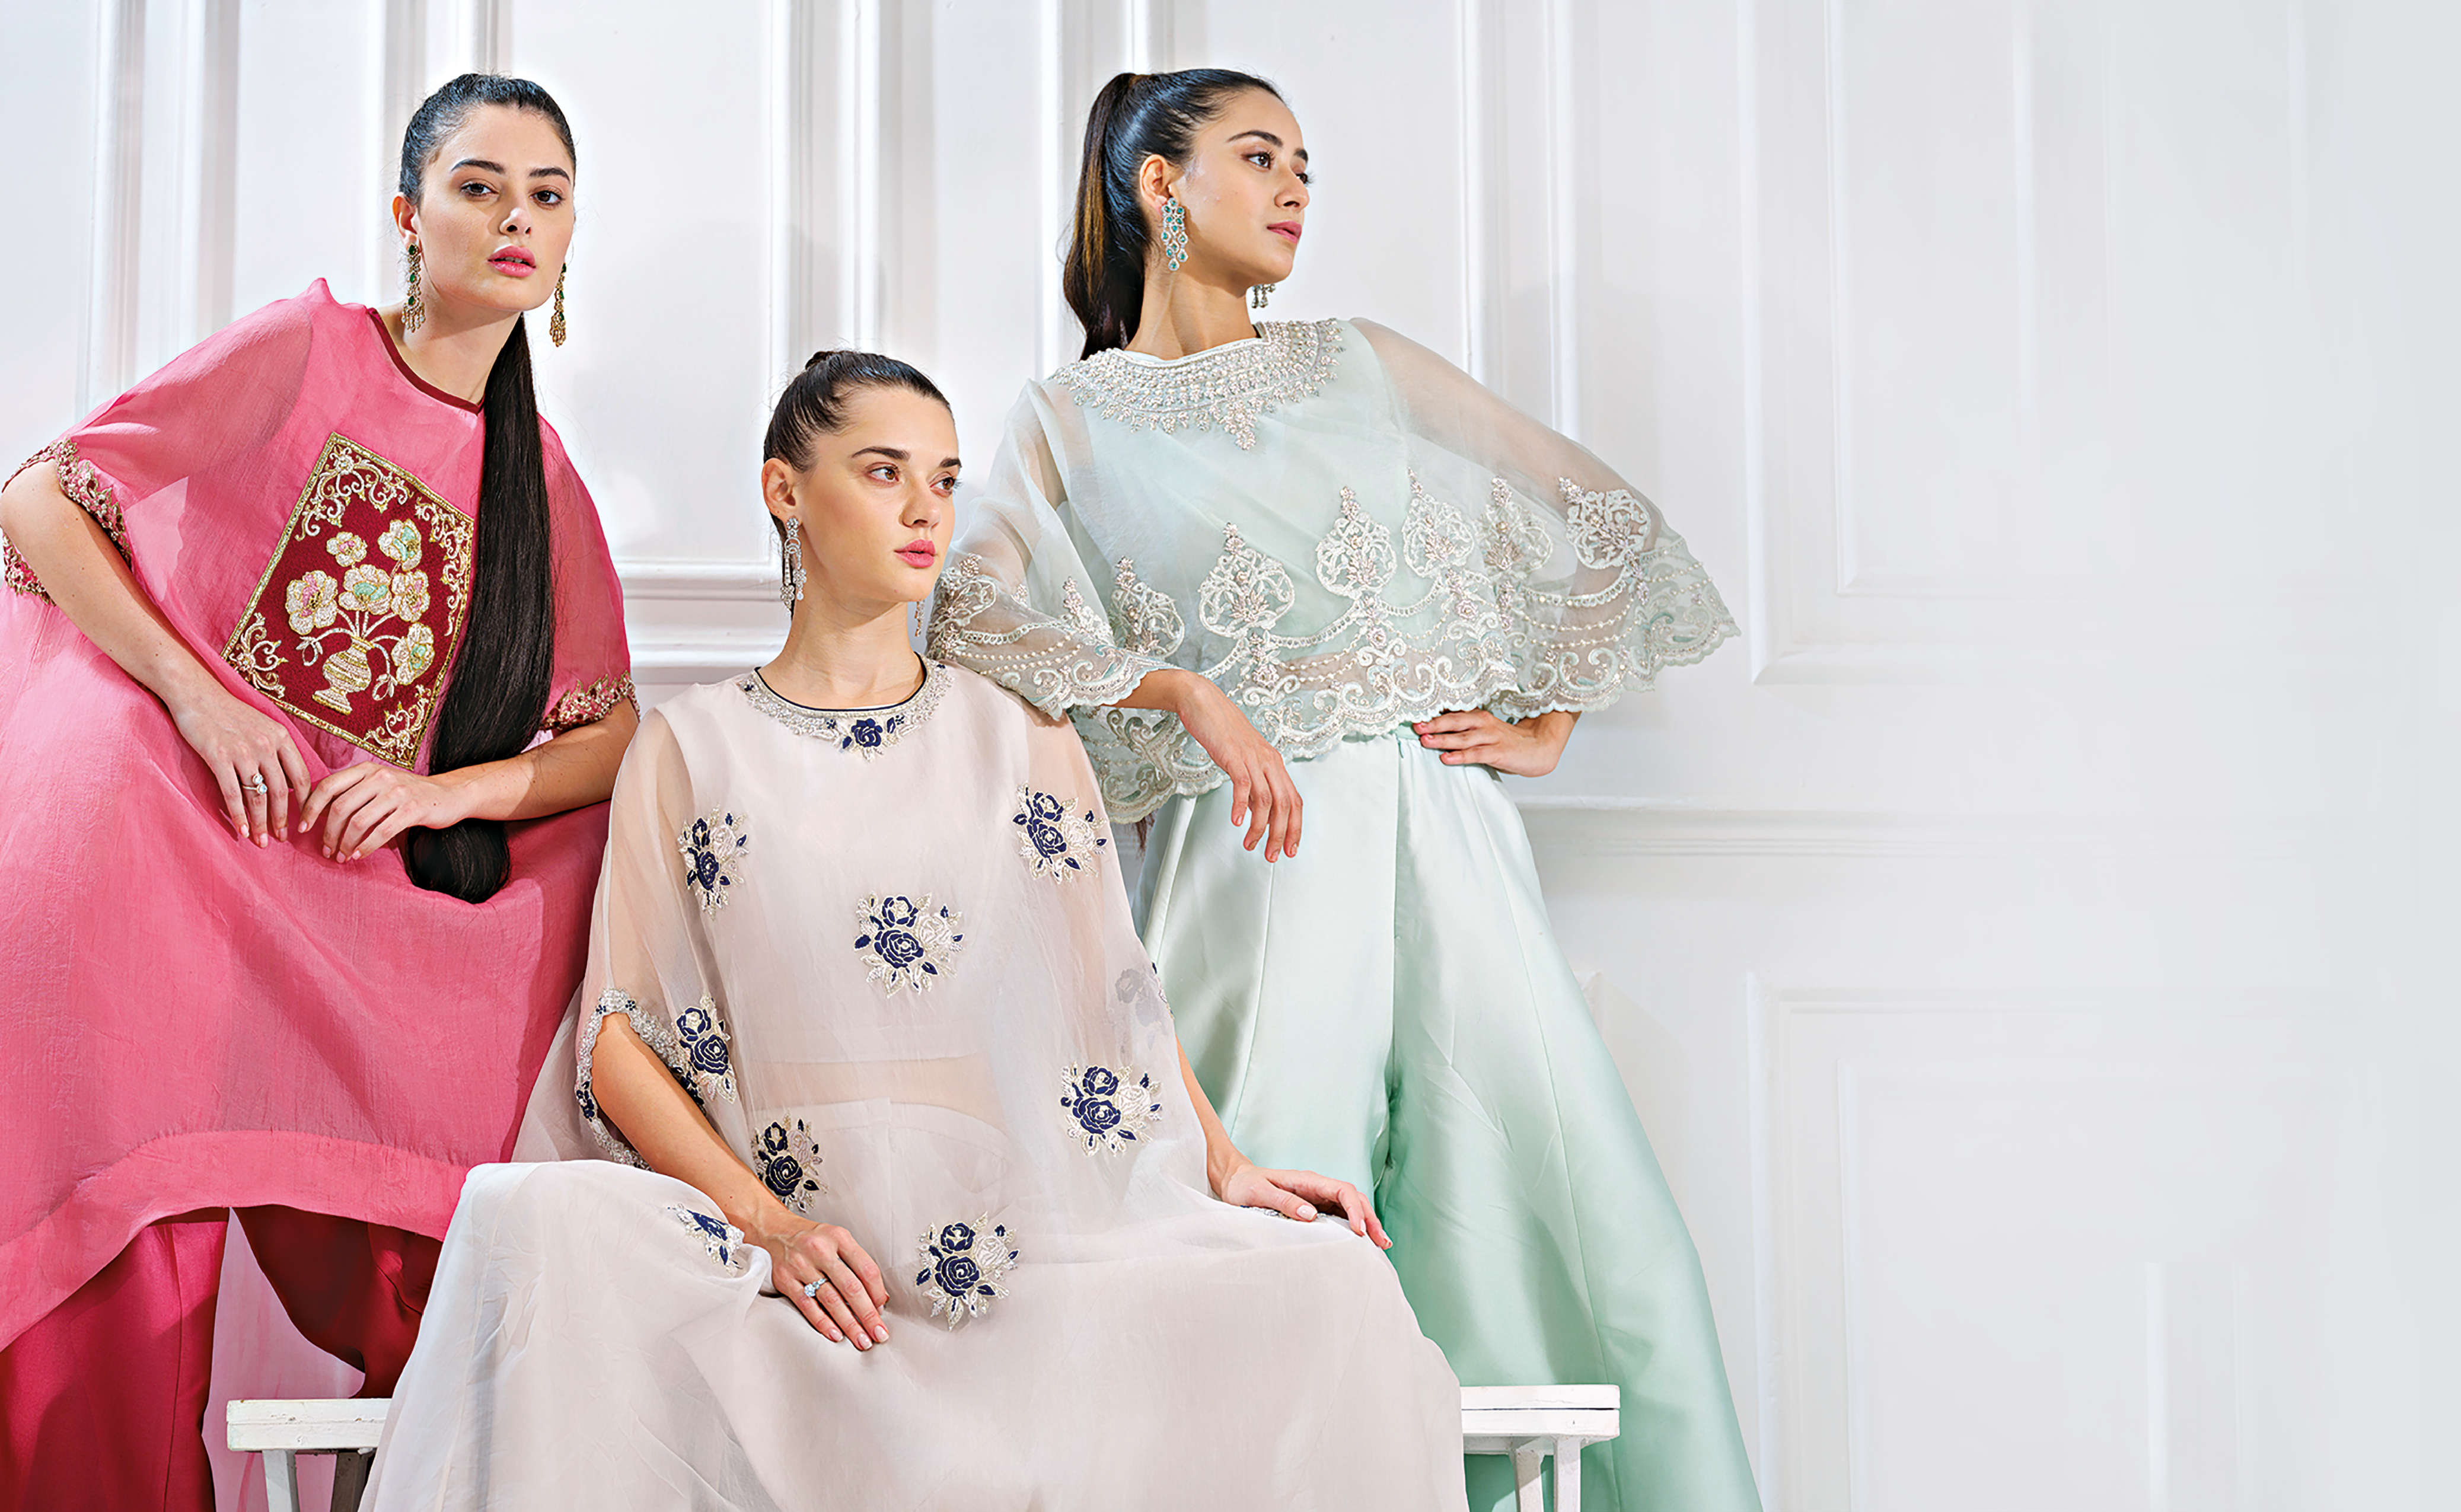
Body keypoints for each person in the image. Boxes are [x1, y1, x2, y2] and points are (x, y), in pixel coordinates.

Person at [364, 351, 1465, 1511]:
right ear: (784, 491)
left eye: (942, 479)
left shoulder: (1022, 738)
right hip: (797, 1243)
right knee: (530, 1213)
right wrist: (773, 1229)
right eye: (883, 472)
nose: (924, 510)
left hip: (1002, 1233)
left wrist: (1227, 1166)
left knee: (1334, 1290)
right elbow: (616, 1041)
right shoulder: (690, 749)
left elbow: (1113, 995)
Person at [929, 68, 1759, 1512]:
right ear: (1158, 184)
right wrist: (1179, 691)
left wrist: (1549, 718)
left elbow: (1595, 510)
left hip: (1444, 832)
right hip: (1251, 854)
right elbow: (970, 613)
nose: (1295, 190)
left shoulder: (1361, 363)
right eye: (1259, 157)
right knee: (1269, 1233)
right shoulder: (1069, 418)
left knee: (1568, 1230)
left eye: (1305, 165)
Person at [0, 74, 635, 1509]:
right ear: (409, 215)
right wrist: (204, 699)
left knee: (559, 933)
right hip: (165, 831)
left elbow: (608, 736)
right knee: (132, 1235)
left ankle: (444, 1455)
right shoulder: (307, 350)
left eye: (546, 196)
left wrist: (440, 798)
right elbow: (40, 498)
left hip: (326, 882)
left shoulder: (538, 479)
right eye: (479, 187)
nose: (516, 219)